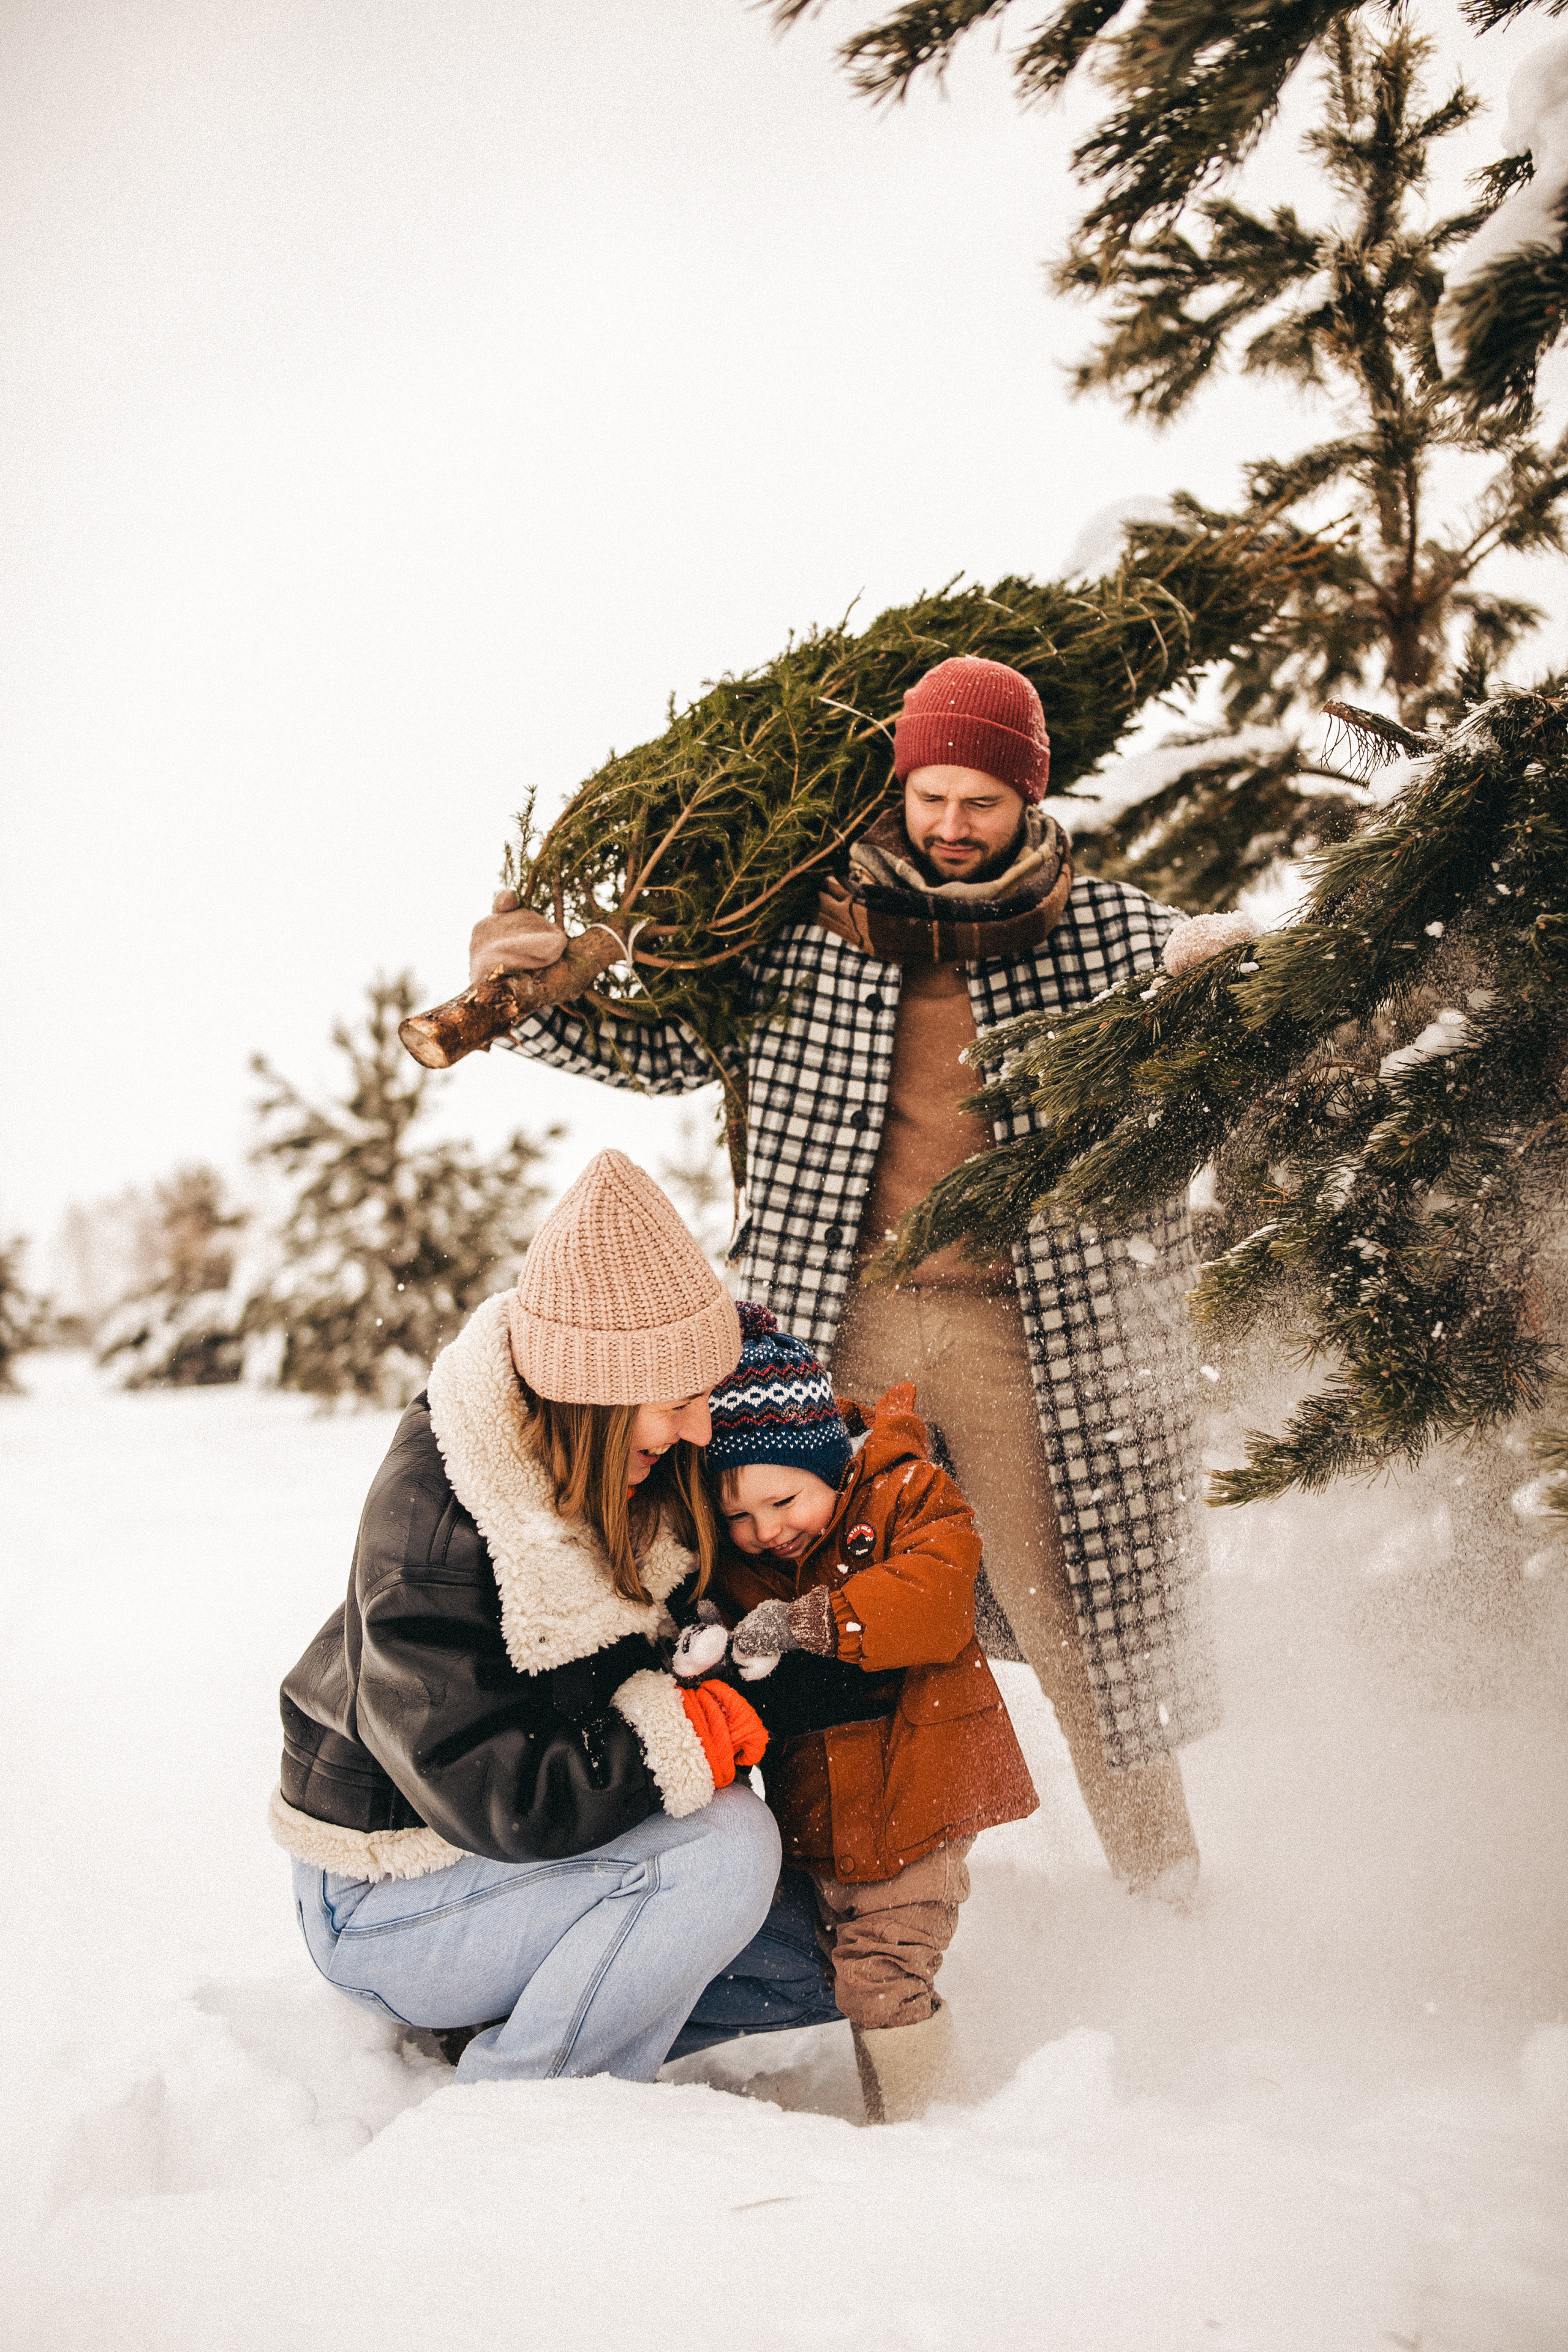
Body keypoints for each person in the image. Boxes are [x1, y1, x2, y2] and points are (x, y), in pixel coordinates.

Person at [470, 655, 1219, 1900]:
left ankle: (1168, 1888)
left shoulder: (1102, 929)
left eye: (981, 801)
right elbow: (663, 1049)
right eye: (932, 797)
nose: (951, 826)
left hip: (1019, 1331)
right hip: (836, 1324)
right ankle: (830, 1905)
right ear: (900, 790)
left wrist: (1224, 971)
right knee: (801, 1607)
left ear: (1027, 800)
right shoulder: (801, 927)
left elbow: (1218, 981)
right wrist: (529, 999)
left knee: (1076, 1617)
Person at [270, 1150, 840, 2082]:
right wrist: (679, 1737)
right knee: (728, 1853)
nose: (701, 1430)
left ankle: (523, 2017)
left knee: (819, 1961)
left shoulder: (636, 1465)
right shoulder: (443, 1522)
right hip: (392, 1887)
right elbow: (491, 1788)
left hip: (530, 1858)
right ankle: (527, 2107)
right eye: (680, 1403)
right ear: (601, 1398)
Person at [689, 1303, 1038, 2124]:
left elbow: (938, 1598)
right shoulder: (747, 1566)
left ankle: (926, 2129)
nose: (765, 1530)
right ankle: (901, 2113)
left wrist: (815, 1620)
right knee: (854, 1970)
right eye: (738, 1516)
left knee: (882, 1972)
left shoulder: (908, 1492)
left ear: (826, 1467)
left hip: (922, 1790)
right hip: (829, 1815)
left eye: (783, 1501)